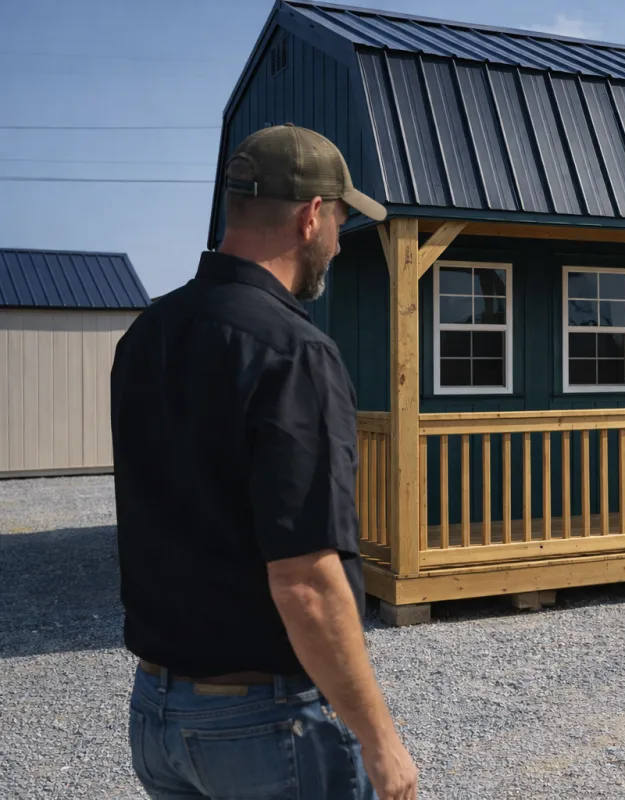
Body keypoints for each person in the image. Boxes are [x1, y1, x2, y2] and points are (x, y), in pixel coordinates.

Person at [111, 124, 418, 799]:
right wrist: (379, 739)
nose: (339, 241)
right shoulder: (295, 353)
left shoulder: (145, 336)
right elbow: (306, 579)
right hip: (265, 727)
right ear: (312, 216)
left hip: (156, 716)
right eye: (340, 220)